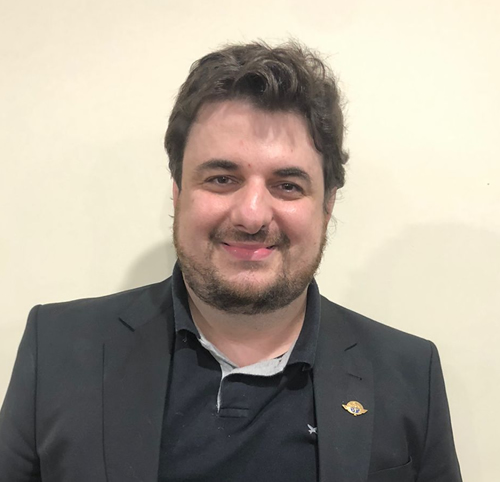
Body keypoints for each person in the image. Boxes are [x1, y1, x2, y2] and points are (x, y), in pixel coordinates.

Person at [0, 41, 462, 482]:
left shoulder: (408, 374)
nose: (252, 216)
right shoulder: (57, 349)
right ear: (178, 192)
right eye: (222, 178)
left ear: (327, 205)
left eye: (288, 185)